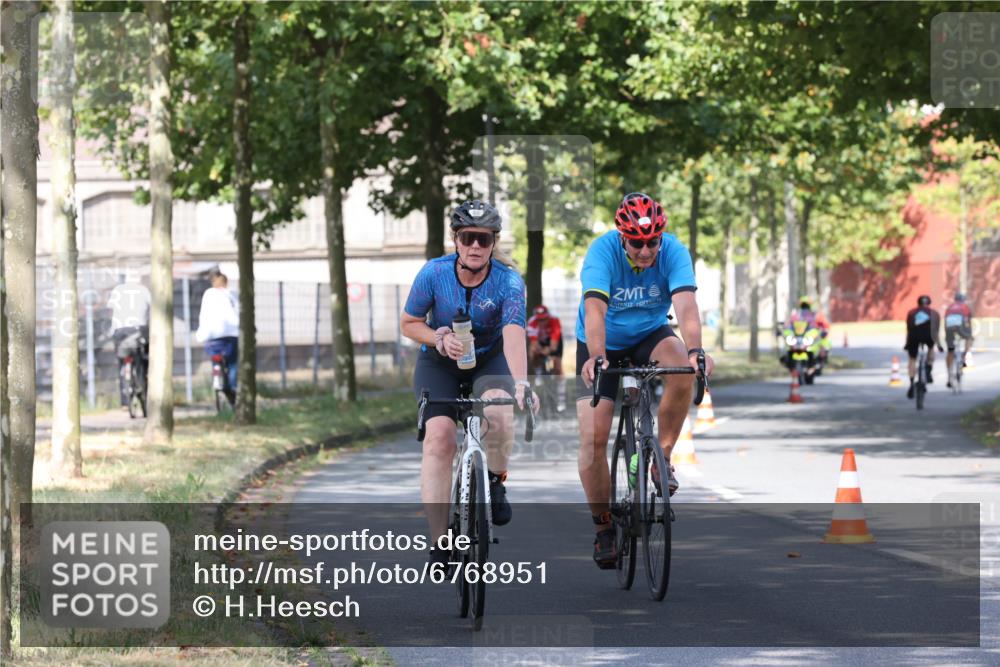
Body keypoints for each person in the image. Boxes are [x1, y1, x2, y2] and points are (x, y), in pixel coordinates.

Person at [576, 192, 714, 569]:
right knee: (592, 438)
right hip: (601, 341)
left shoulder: (672, 250)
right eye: (637, 243)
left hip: (650, 333)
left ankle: (661, 458)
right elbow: (595, 310)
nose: (645, 250)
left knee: (683, 373)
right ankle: (604, 527)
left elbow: (685, 305)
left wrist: (695, 351)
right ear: (623, 237)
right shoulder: (602, 252)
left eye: (652, 241)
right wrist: (597, 356)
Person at [400, 200, 533, 567]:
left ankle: (495, 480)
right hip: (440, 362)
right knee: (439, 439)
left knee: (500, 411)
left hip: (489, 360)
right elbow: (409, 322)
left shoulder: (508, 281)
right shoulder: (434, 273)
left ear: (494, 243)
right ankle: (441, 543)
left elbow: (514, 332)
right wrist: (436, 337)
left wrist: (520, 383)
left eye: (484, 239)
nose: (476, 246)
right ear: (456, 240)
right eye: (468, 238)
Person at [108, 271, 151, 408]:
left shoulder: (118, 290)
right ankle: (144, 388)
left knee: (122, 364)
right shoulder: (144, 290)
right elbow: (152, 307)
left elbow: (110, 308)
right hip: (139, 330)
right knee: (143, 361)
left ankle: (125, 402)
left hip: (120, 332)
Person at [195, 270, 239, 393]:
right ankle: (233, 387)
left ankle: (216, 373)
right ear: (226, 282)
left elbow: (203, 315)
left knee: (215, 357)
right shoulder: (232, 294)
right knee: (232, 363)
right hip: (231, 334)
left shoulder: (208, 294)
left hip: (212, 335)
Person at [526, 304, 565, 411]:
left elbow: (554, 345)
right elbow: (534, 343)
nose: (542, 322)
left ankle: (561, 399)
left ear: (548, 317)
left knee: (558, 367)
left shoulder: (554, 321)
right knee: (532, 352)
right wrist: (539, 351)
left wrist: (548, 352)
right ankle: (538, 372)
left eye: (544, 319)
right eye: (540, 320)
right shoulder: (532, 322)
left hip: (553, 341)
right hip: (540, 341)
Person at [904, 294, 942, 398]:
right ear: (929, 303)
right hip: (928, 336)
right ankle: (928, 370)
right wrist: (939, 345)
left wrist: (907, 344)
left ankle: (912, 383)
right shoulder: (934, 313)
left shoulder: (911, 312)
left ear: (918, 303)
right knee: (931, 348)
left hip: (914, 336)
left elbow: (909, 329)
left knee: (912, 359)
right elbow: (936, 331)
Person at [944, 292, 974, 387]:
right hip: (960, 326)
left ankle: (949, 376)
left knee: (950, 351)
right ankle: (965, 356)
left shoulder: (949, 307)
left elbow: (946, 321)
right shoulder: (965, 307)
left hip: (949, 328)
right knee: (969, 337)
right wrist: (970, 334)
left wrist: (947, 335)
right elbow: (968, 322)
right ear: (963, 300)